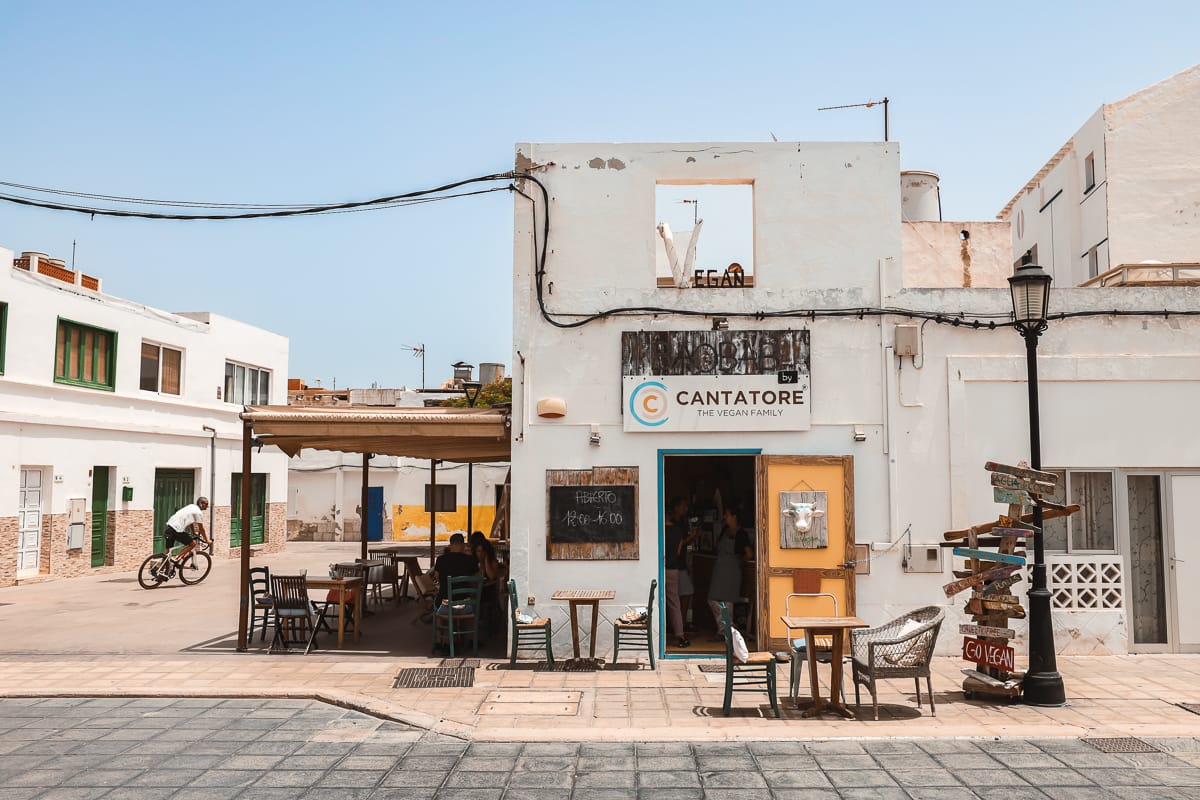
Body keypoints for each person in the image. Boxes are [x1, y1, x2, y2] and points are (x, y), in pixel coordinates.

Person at [707, 504, 753, 636]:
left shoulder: (741, 533)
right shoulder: (724, 530)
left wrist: (738, 561)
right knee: (712, 599)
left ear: (734, 517)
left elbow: (749, 553)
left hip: (732, 569)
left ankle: (726, 631)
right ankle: (728, 627)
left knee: (728, 601)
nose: (724, 517)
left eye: (726, 515)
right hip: (720, 569)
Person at [664, 496, 699, 648]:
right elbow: (679, 551)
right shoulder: (677, 530)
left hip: (659, 568)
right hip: (673, 569)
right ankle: (680, 634)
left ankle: (659, 632)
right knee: (674, 602)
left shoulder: (659, 530)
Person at [431, 533, 479, 606]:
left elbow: (438, 578)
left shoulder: (440, 560)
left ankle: (440, 617)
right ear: (463, 545)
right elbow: (476, 579)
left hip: (444, 605)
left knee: (436, 600)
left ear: (450, 546)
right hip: (465, 605)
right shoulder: (470, 560)